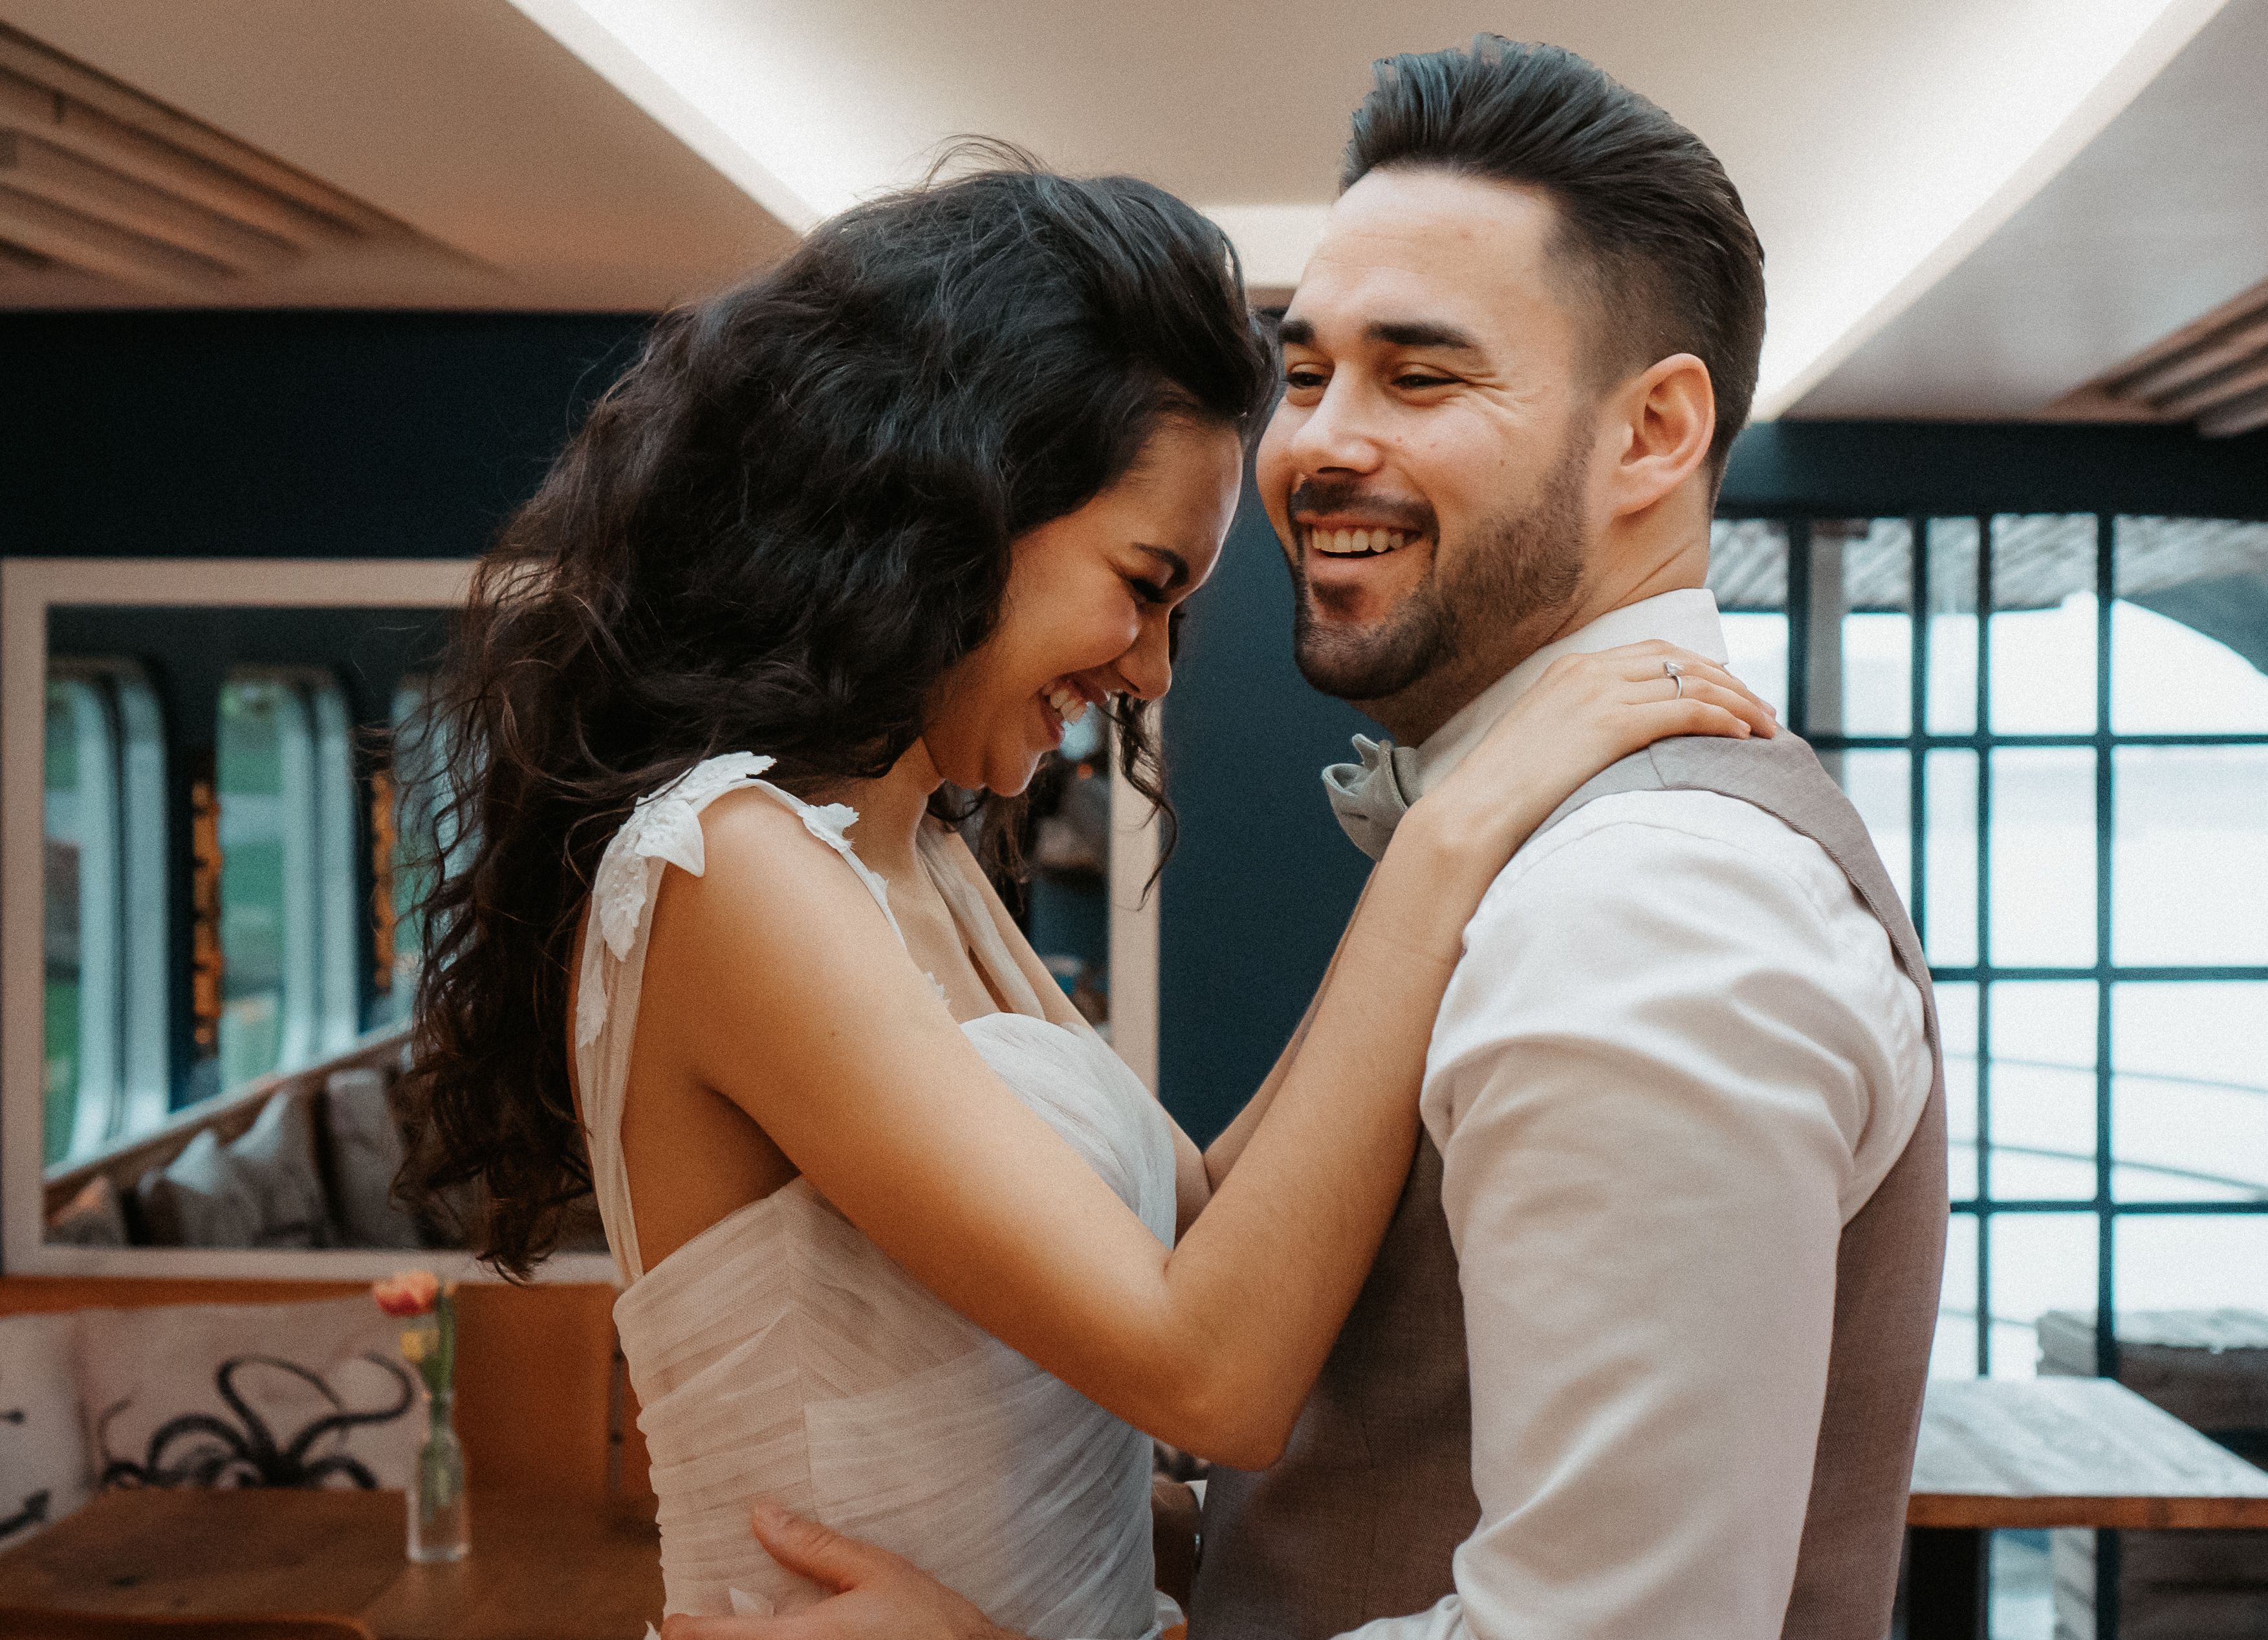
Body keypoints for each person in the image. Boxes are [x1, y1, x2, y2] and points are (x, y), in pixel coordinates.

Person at [400, 152, 1774, 1635]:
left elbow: (1194, 1216)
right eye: (1141, 583)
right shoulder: (727, 865)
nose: (1150, 671)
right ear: (947, 512)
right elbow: (1214, 1373)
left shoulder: (920, 846)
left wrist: (1465, 822)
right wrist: (1451, 845)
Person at [677, 36, 1948, 1640]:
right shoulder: (1530, 844)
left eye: (1418, 376)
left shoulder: (1652, 898)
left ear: (1651, 434)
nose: (1316, 445)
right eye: (1304, 372)